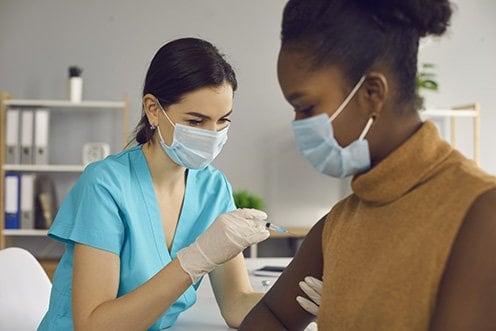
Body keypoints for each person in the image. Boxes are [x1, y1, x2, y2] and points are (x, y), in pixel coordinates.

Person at [240, 0, 496, 330]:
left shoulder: (481, 214)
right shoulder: (340, 224)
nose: (298, 124)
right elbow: (271, 317)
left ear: (372, 93)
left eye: (305, 107)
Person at [38, 37, 275, 331]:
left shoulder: (213, 189)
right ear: (153, 109)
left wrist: (298, 300)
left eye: (222, 120)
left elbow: (236, 304)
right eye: (196, 121)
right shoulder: (105, 185)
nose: (212, 135)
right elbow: (94, 325)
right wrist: (193, 261)